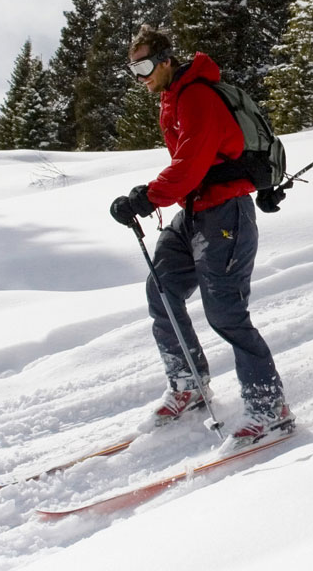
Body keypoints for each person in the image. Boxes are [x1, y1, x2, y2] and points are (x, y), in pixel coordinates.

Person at [110, 25, 293, 443]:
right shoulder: (172, 97)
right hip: (195, 210)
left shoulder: (195, 96)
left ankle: (270, 407)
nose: (139, 76)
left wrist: (146, 198)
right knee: (163, 289)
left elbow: (190, 163)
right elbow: (200, 164)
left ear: (165, 59)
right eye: (131, 69)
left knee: (226, 312)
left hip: (225, 213)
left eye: (143, 65)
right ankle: (188, 383)